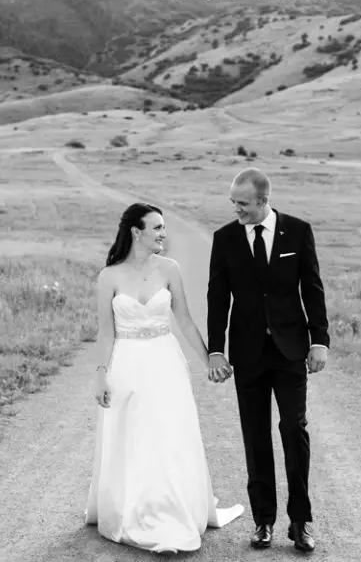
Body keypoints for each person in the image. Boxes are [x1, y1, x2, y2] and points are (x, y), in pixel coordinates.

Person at [84, 202, 244, 553]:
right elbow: (105, 333)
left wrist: (209, 362)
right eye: (156, 228)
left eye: (164, 228)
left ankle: (170, 514)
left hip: (165, 362)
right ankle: (136, 511)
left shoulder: (169, 269)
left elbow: (184, 320)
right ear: (135, 232)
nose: (163, 234)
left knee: (168, 435)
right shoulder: (109, 276)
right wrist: (100, 375)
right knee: (134, 437)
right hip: (126, 364)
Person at [206, 167, 329, 553]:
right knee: (255, 436)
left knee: (294, 430)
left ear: (263, 200)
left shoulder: (298, 230)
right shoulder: (224, 239)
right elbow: (217, 297)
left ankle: (300, 521)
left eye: (242, 204)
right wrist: (216, 349)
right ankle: (263, 521)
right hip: (248, 354)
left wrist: (319, 340)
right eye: (233, 203)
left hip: (291, 349)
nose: (236, 210)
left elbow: (312, 287)